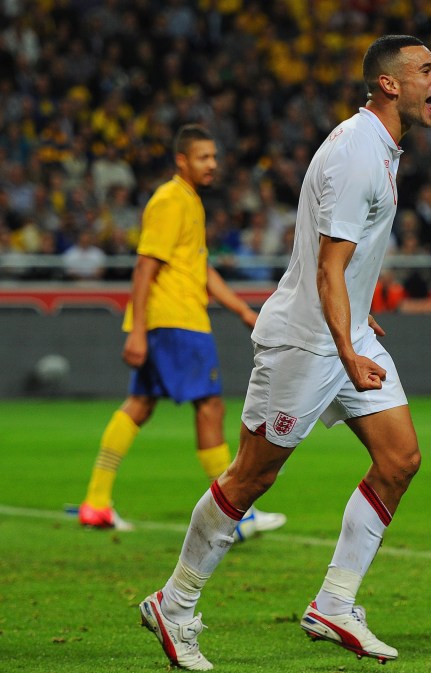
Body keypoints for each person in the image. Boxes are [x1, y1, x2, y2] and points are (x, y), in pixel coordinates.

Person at [138, 35, 431, 670]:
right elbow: (329, 269)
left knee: (400, 459)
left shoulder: (380, 147)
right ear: (389, 84)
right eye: (427, 71)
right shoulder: (359, 152)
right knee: (253, 475)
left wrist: (359, 322)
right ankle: (175, 603)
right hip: (308, 341)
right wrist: (343, 336)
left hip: (345, 334)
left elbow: (343, 270)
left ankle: (334, 602)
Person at [78, 124, 286, 536]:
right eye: (203, 157)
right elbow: (145, 266)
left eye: (214, 156)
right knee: (210, 407)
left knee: (140, 404)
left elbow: (201, 269)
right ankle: (236, 515)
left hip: (173, 320)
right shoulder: (171, 200)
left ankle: (96, 503)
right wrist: (136, 331)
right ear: (182, 160)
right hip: (177, 321)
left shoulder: (189, 202)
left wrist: (243, 311)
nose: (212, 164)